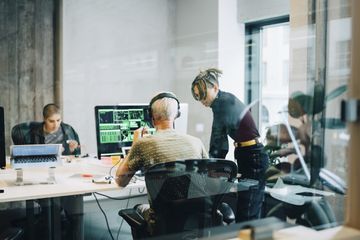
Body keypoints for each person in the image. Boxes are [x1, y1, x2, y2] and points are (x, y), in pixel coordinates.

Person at [116, 91, 208, 235]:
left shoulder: (143, 144)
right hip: (197, 220)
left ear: (151, 117)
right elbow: (207, 181)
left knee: (139, 208)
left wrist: (135, 144)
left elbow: (121, 181)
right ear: (177, 115)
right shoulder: (196, 142)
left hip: (162, 223)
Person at [191, 68, 269, 222]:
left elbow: (219, 143)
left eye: (202, 94)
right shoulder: (224, 100)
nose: (201, 100)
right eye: (197, 96)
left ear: (215, 87)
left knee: (247, 215)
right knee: (249, 211)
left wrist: (208, 169)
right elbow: (219, 141)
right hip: (250, 155)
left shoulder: (222, 103)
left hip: (253, 157)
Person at [13, 103, 81, 155]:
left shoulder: (68, 130)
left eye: (58, 120)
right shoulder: (33, 133)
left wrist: (73, 150)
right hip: (42, 166)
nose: (56, 125)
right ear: (45, 119)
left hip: (63, 166)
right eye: (51, 121)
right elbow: (28, 155)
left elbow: (77, 155)